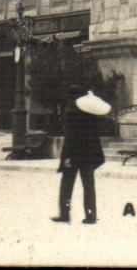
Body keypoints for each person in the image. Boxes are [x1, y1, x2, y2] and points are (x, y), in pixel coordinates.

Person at [53, 88, 109, 224]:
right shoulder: (91, 113)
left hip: (73, 154)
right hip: (88, 155)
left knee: (67, 185)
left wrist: (67, 157)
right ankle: (91, 215)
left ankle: (64, 214)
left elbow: (70, 137)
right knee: (89, 186)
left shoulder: (71, 112)